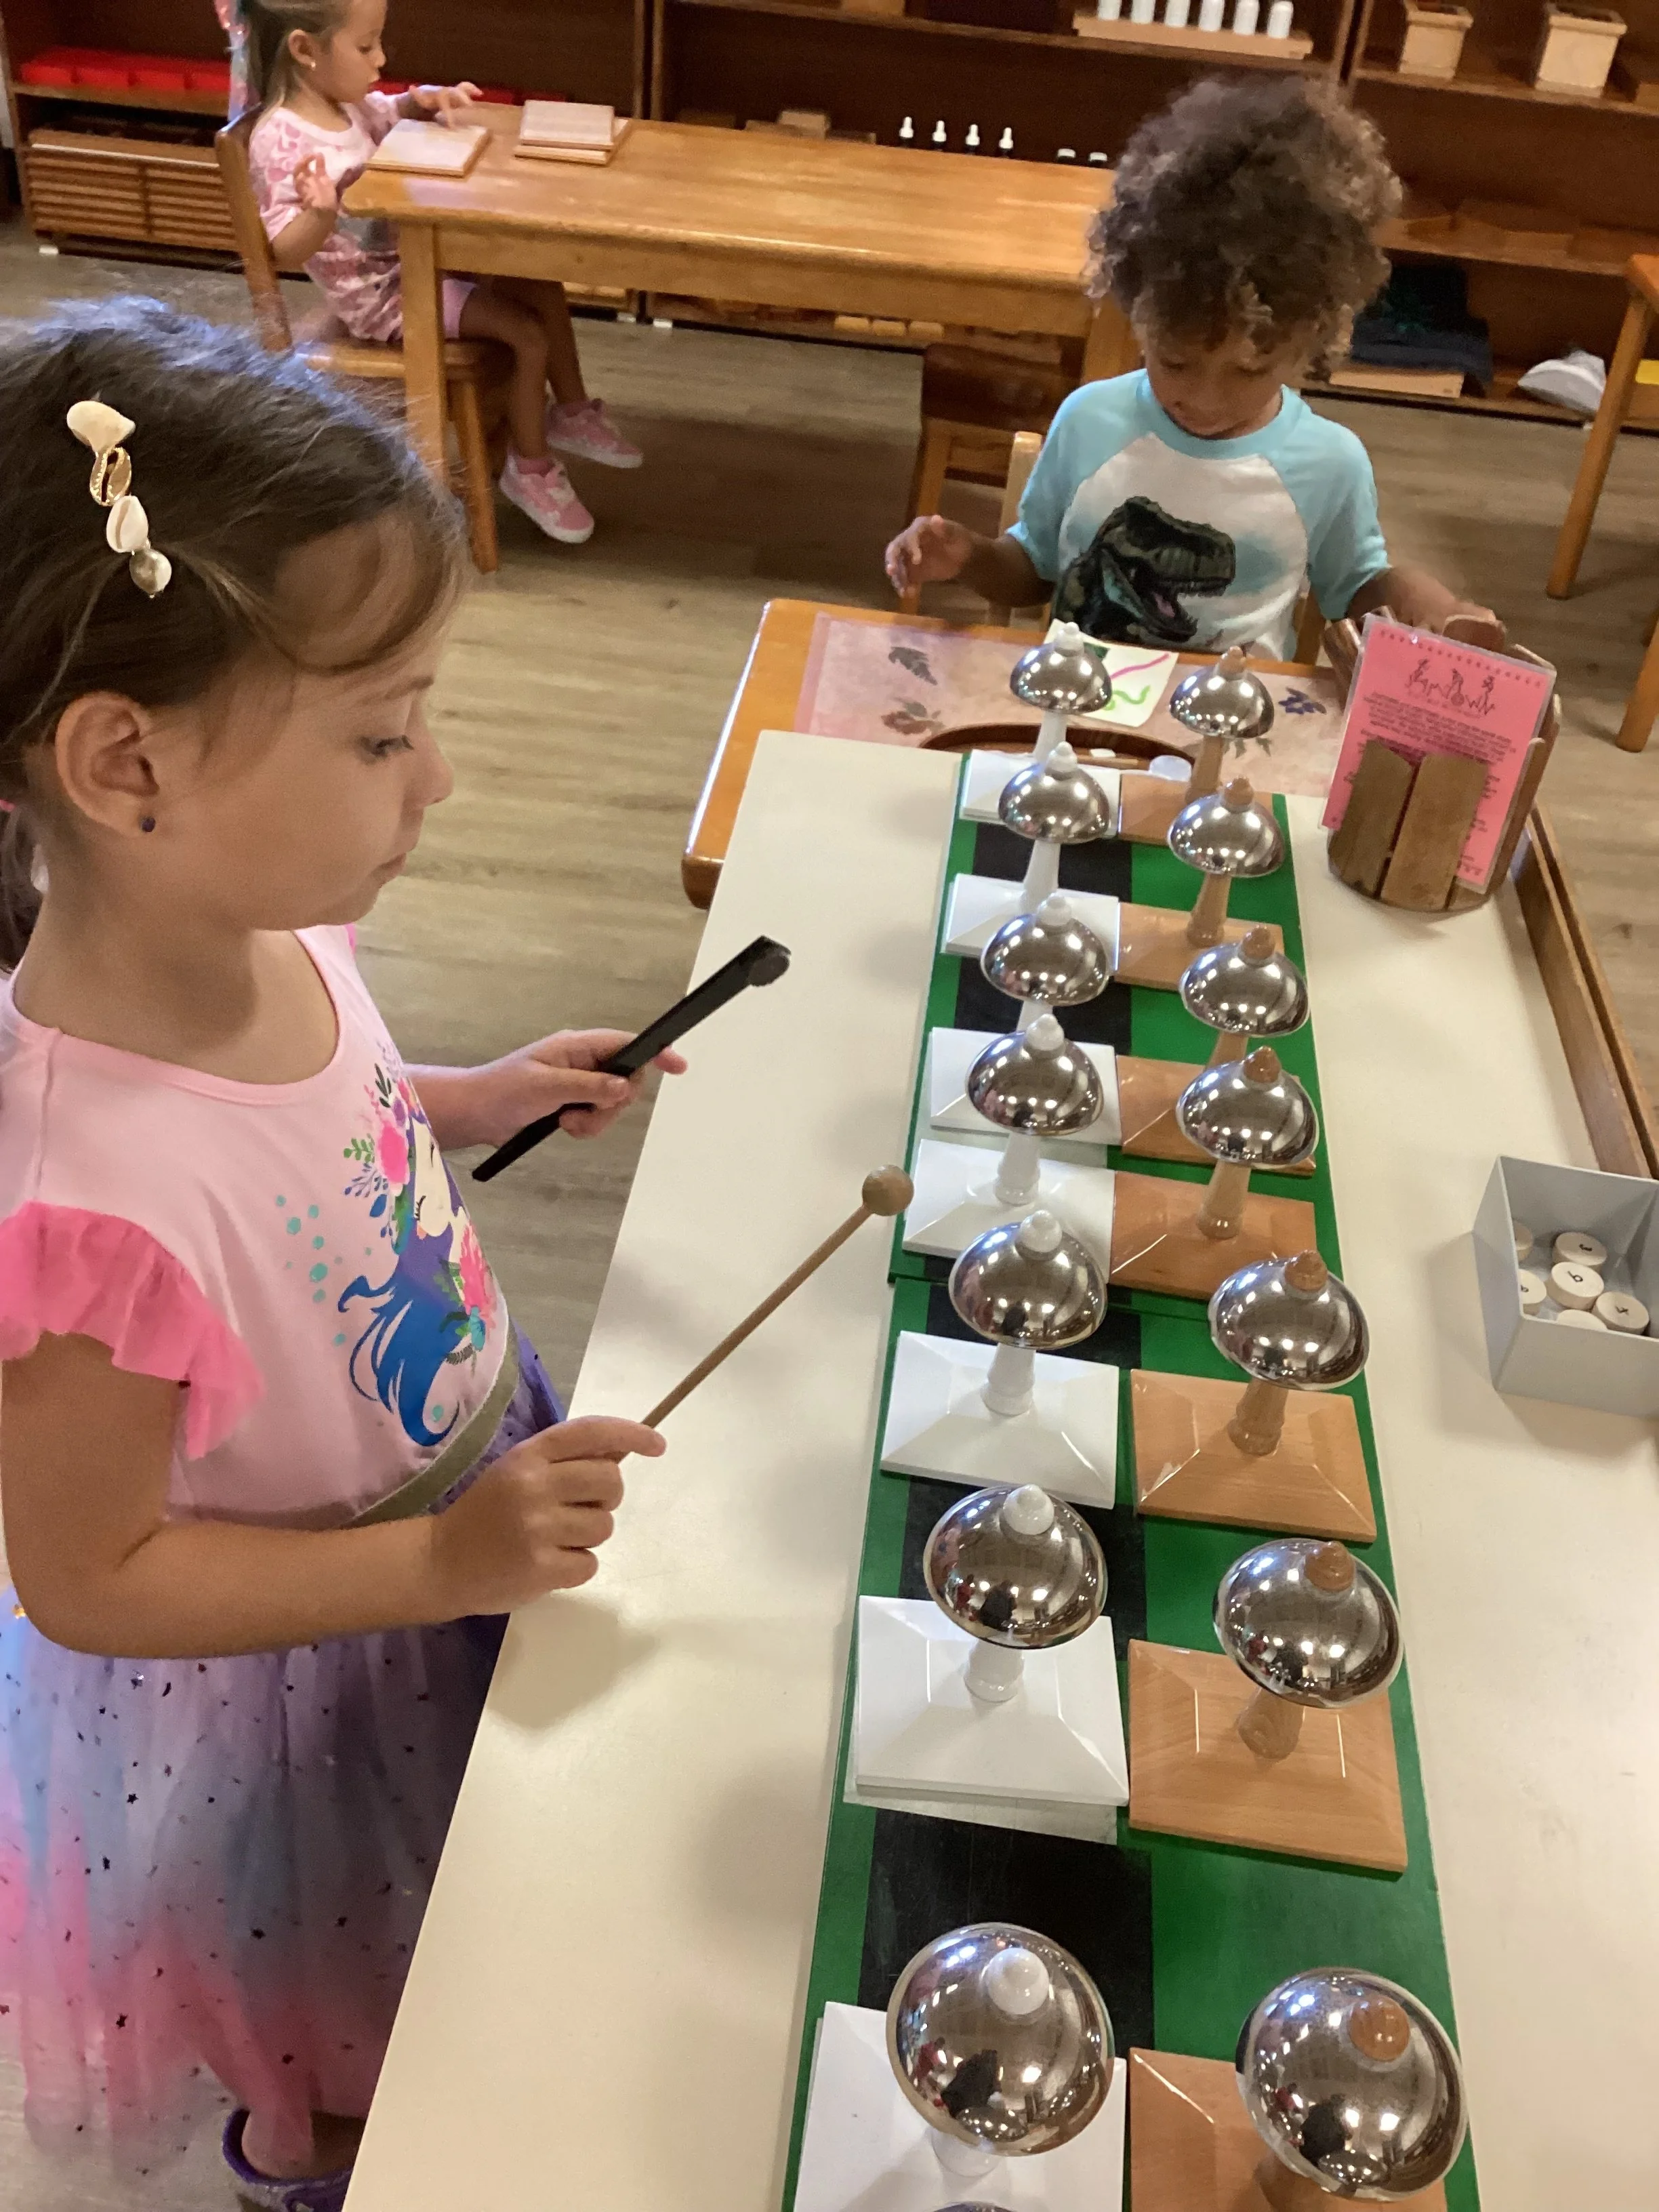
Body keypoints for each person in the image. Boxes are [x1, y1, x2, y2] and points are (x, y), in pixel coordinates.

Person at [0, 299, 679, 2212]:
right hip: (300, 1681)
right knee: (360, 2015)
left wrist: (463, 1099)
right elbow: (92, 1577)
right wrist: (437, 1562)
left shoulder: (281, 929)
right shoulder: (78, 1209)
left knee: (487, 1902)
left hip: (450, 1506)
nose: (437, 780)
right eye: (384, 732)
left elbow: (325, 1115)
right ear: (127, 765)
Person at [885, 78, 1502, 659]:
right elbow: (1033, 571)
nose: (1204, 399)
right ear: (1138, 319)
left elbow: (1356, 588)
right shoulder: (1089, 421)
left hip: (1228, 732)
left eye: (1247, 371)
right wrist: (968, 557)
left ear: (1310, 339)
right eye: (1175, 362)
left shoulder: (1330, 464)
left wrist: (1419, 596)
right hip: (1071, 710)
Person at [241, 0, 643, 548]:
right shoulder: (281, 138)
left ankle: (571, 412)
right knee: (527, 337)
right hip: (385, 297)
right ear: (304, 49)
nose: (379, 60)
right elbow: (285, 249)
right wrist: (319, 211)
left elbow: (389, 109)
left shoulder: (346, 105)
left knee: (540, 282)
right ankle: (530, 468)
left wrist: (423, 100)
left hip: (419, 263)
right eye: (365, 47)